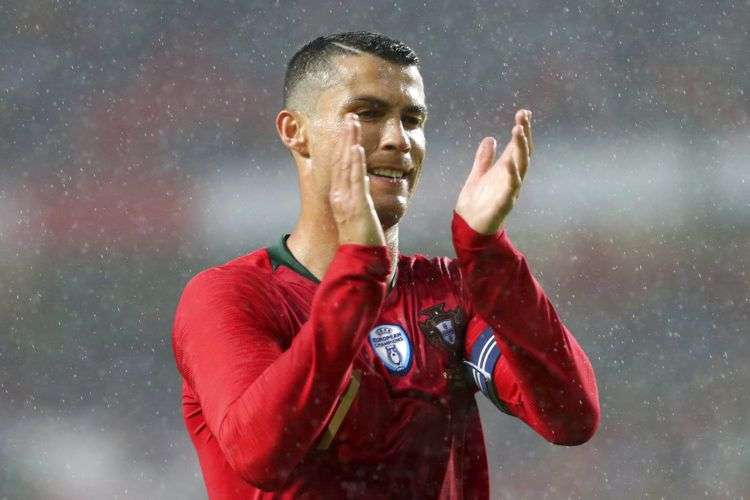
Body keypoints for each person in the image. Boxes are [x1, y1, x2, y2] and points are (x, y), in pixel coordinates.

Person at [171, 31, 600, 499]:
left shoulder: (448, 292)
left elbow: (569, 417)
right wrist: (361, 267)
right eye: (368, 114)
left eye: (412, 119)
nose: (399, 140)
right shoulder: (230, 297)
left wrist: (487, 251)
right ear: (296, 131)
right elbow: (262, 454)